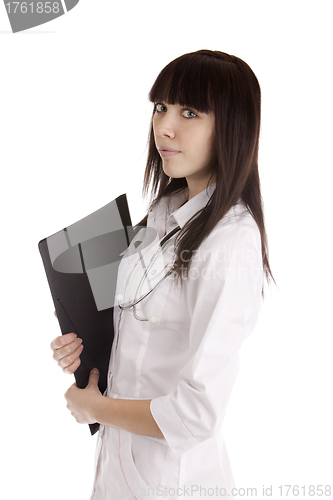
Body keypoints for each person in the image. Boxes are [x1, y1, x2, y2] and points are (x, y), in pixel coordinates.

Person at [50, 49, 274, 499]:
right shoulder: (163, 214)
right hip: (116, 473)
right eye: (160, 107)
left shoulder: (231, 243)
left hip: (174, 483)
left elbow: (197, 412)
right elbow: (139, 327)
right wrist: (85, 353)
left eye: (189, 112)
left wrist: (99, 408)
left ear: (232, 126)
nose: (164, 128)